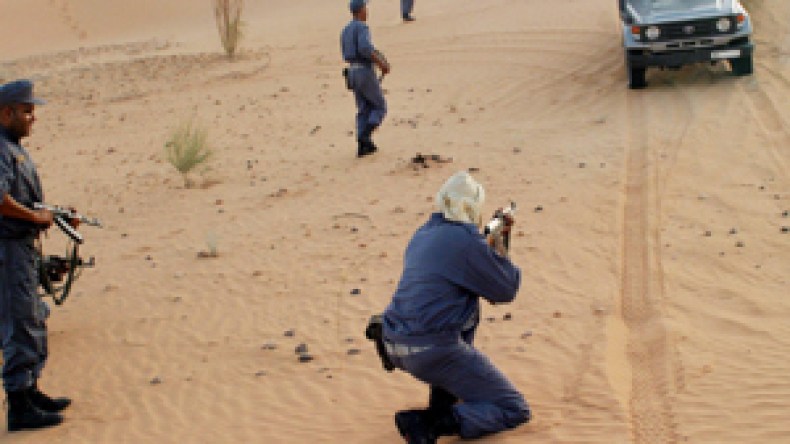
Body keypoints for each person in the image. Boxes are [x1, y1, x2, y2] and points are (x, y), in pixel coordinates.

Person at [381, 171, 530, 443]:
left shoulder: (423, 233)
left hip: (396, 339)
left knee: (459, 312)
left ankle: (441, 403)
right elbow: (506, 289)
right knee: (514, 408)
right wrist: (500, 243)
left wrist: (485, 245)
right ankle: (429, 423)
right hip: (430, 350)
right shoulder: (466, 242)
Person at [0, 79, 71, 432]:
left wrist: (52, 214)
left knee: (32, 318)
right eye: (27, 111)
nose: (33, 118)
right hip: (7, 250)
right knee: (18, 323)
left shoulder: (13, 148)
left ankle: (31, 391)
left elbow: (24, 200)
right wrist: (32, 218)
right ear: (6, 112)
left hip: (21, 249)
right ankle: (19, 405)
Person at [340, 0, 390, 157]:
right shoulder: (362, 27)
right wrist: (381, 63)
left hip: (352, 73)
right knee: (379, 106)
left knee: (363, 109)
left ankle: (363, 145)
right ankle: (365, 137)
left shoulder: (345, 30)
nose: (367, 11)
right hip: (363, 71)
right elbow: (365, 48)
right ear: (360, 10)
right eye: (365, 8)